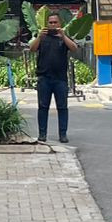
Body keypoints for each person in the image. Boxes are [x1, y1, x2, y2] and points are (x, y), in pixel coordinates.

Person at [30, 12, 78, 143]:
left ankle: (63, 134)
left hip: (60, 79)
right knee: (43, 107)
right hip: (44, 78)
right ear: (47, 24)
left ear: (59, 23)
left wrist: (63, 36)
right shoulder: (43, 37)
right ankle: (42, 134)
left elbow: (74, 48)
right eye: (50, 22)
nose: (52, 25)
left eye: (55, 22)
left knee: (62, 107)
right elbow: (32, 49)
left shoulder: (63, 38)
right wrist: (39, 37)